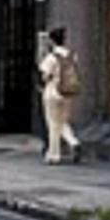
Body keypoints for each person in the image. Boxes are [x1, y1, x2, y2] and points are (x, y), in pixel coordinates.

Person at [39, 25, 81, 165]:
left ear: (52, 41)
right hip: (67, 92)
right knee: (62, 122)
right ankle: (73, 142)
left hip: (52, 92)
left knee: (53, 124)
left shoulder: (51, 57)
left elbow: (45, 76)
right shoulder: (72, 55)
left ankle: (54, 155)